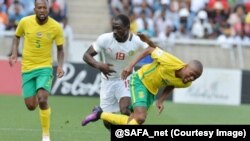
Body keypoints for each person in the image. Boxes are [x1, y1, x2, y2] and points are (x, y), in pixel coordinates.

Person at [81, 34, 203, 126]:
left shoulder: (186, 83)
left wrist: (161, 100)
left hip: (151, 92)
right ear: (186, 66)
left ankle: (99, 114)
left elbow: (172, 84)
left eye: (195, 77)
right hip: (140, 81)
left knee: (134, 120)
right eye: (192, 74)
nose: (192, 78)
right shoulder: (171, 61)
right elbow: (149, 50)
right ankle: (100, 114)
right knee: (140, 118)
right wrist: (130, 66)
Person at [82, 14, 154, 131]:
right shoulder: (105, 39)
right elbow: (86, 55)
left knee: (125, 109)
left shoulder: (136, 41)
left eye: (118, 28)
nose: (115, 31)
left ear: (127, 28)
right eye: (113, 28)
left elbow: (153, 51)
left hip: (126, 79)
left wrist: (149, 42)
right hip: (108, 81)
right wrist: (99, 65)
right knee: (107, 121)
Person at [8, 0, 65, 141]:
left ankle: (46, 135)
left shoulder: (56, 27)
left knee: (43, 98)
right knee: (31, 106)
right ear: (34, 9)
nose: (42, 10)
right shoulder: (24, 22)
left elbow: (60, 50)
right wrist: (14, 53)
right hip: (27, 68)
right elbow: (16, 37)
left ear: (48, 9)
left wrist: (60, 65)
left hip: (45, 67)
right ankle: (40, 108)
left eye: (44, 7)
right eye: (39, 7)